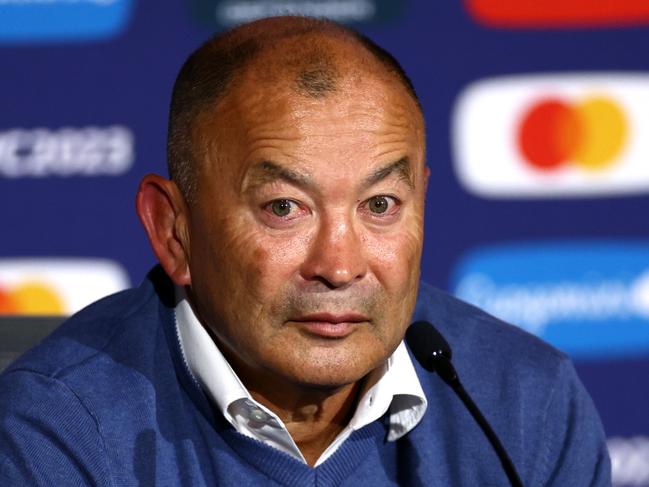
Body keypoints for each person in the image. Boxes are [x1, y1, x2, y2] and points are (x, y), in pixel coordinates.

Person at [0, 16, 610, 486]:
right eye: (284, 208)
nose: (339, 266)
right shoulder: (59, 429)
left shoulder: (524, 404)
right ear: (172, 230)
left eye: (380, 206)